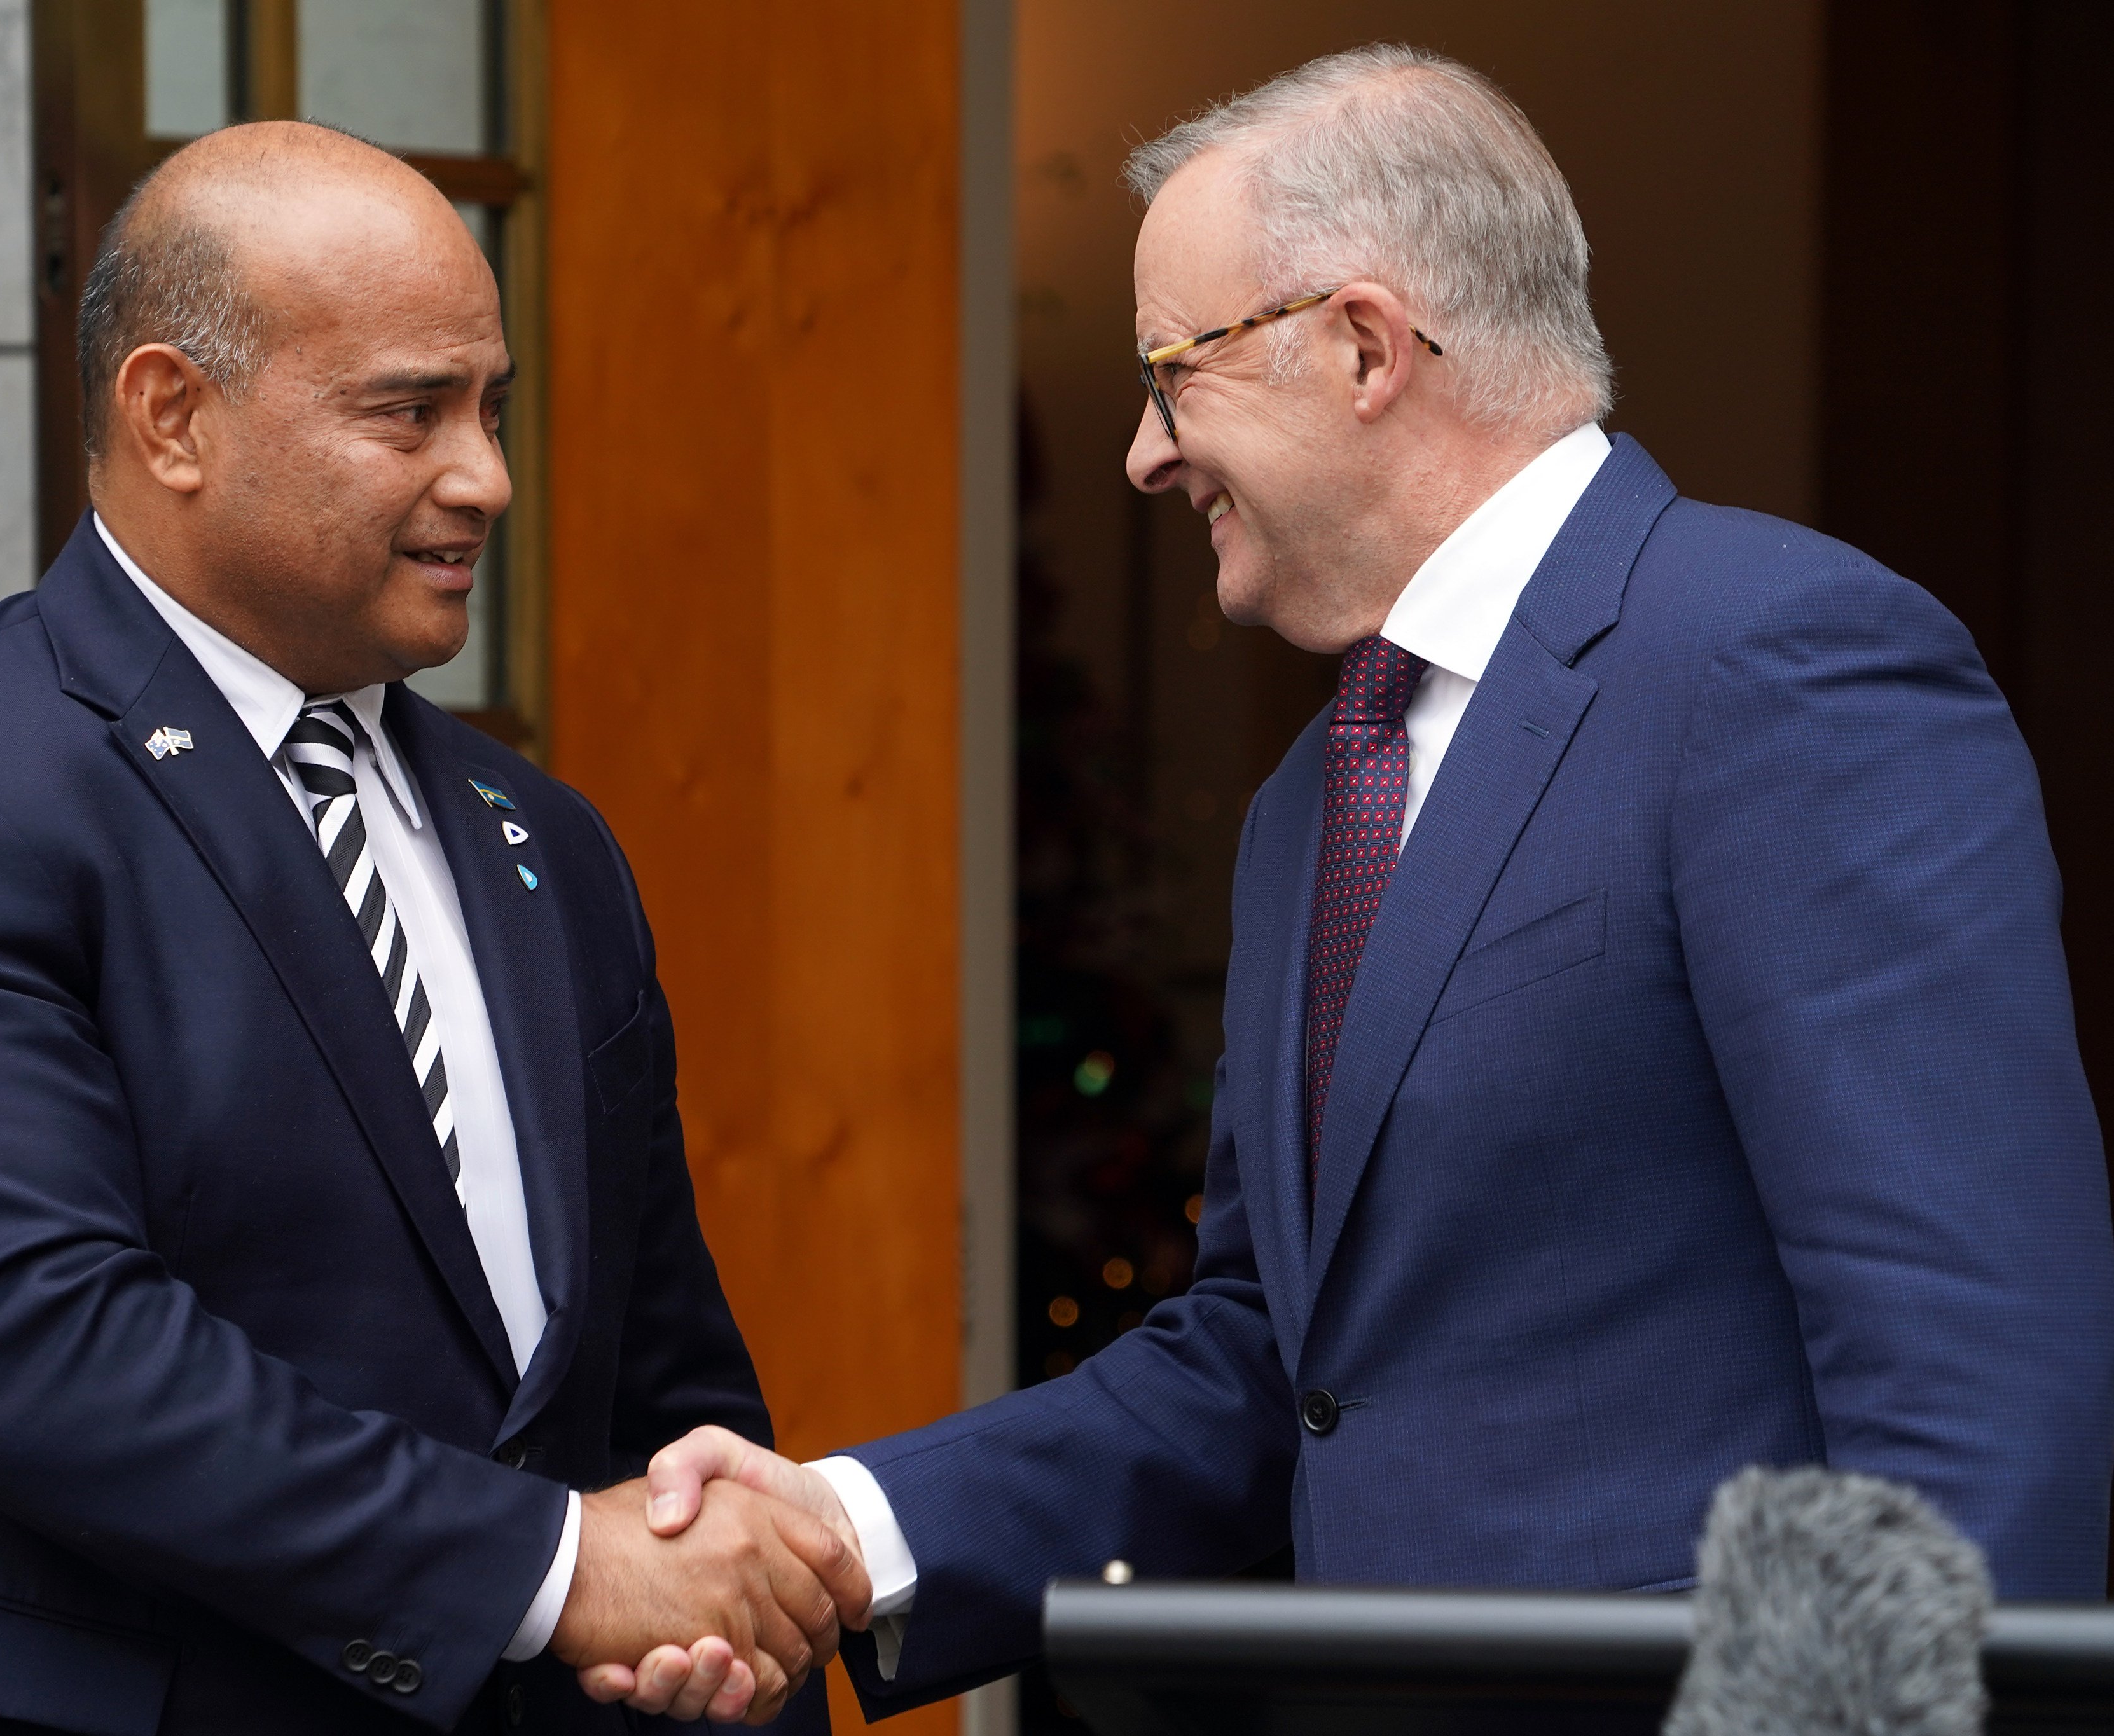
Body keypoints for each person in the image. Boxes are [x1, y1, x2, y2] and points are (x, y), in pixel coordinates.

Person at [591, 43, 2114, 1721]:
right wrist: (844, 1528)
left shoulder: (1778, 663)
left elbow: (1968, 1379)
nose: (1145, 457)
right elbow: (1273, 1358)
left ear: (1368, 347)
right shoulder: (1312, 799)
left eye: (1173, 374)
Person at [0, 122, 859, 1735]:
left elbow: (657, 1391)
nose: (487, 477)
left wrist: (722, 1623)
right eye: (409, 411)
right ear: (171, 415)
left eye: (492, 407)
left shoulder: (544, 841)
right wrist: (549, 1566)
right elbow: (27, 1349)